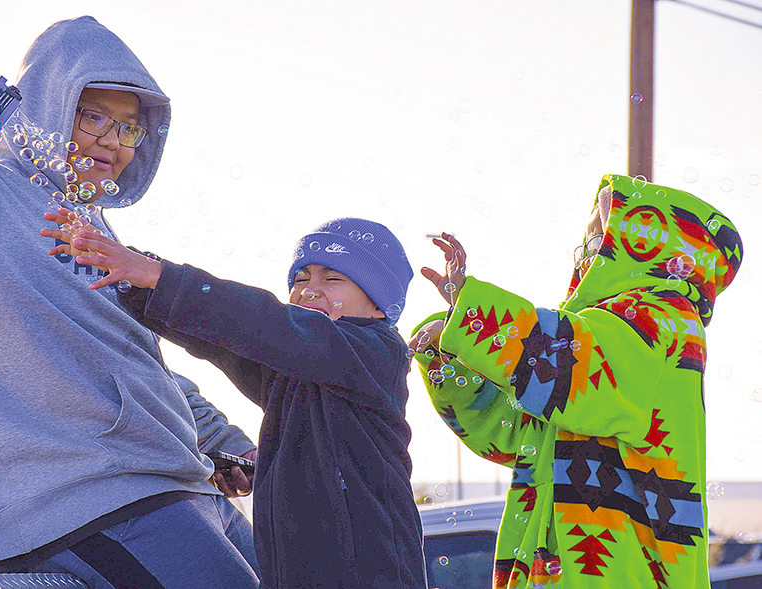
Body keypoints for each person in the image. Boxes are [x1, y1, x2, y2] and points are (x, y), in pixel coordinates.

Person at [0, 16, 261, 588]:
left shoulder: (95, 230)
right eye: (93, 115)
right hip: (77, 506)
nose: (112, 139)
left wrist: (219, 437)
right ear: (46, 109)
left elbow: (133, 362)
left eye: (130, 127)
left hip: (177, 484)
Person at [44, 215, 429, 587]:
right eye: (300, 278)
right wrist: (134, 280)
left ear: (378, 306)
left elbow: (263, 324)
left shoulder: (377, 353)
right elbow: (226, 338)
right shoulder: (296, 369)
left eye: (333, 278)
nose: (309, 289)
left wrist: (159, 276)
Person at [409, 174, 742, 589]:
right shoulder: (592, 339)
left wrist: (472, 316)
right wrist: (450, 353)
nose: (584, 256)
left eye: (597, 241)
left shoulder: (663, 325)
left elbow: (571, 367)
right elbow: (512, 432)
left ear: (642, 244)